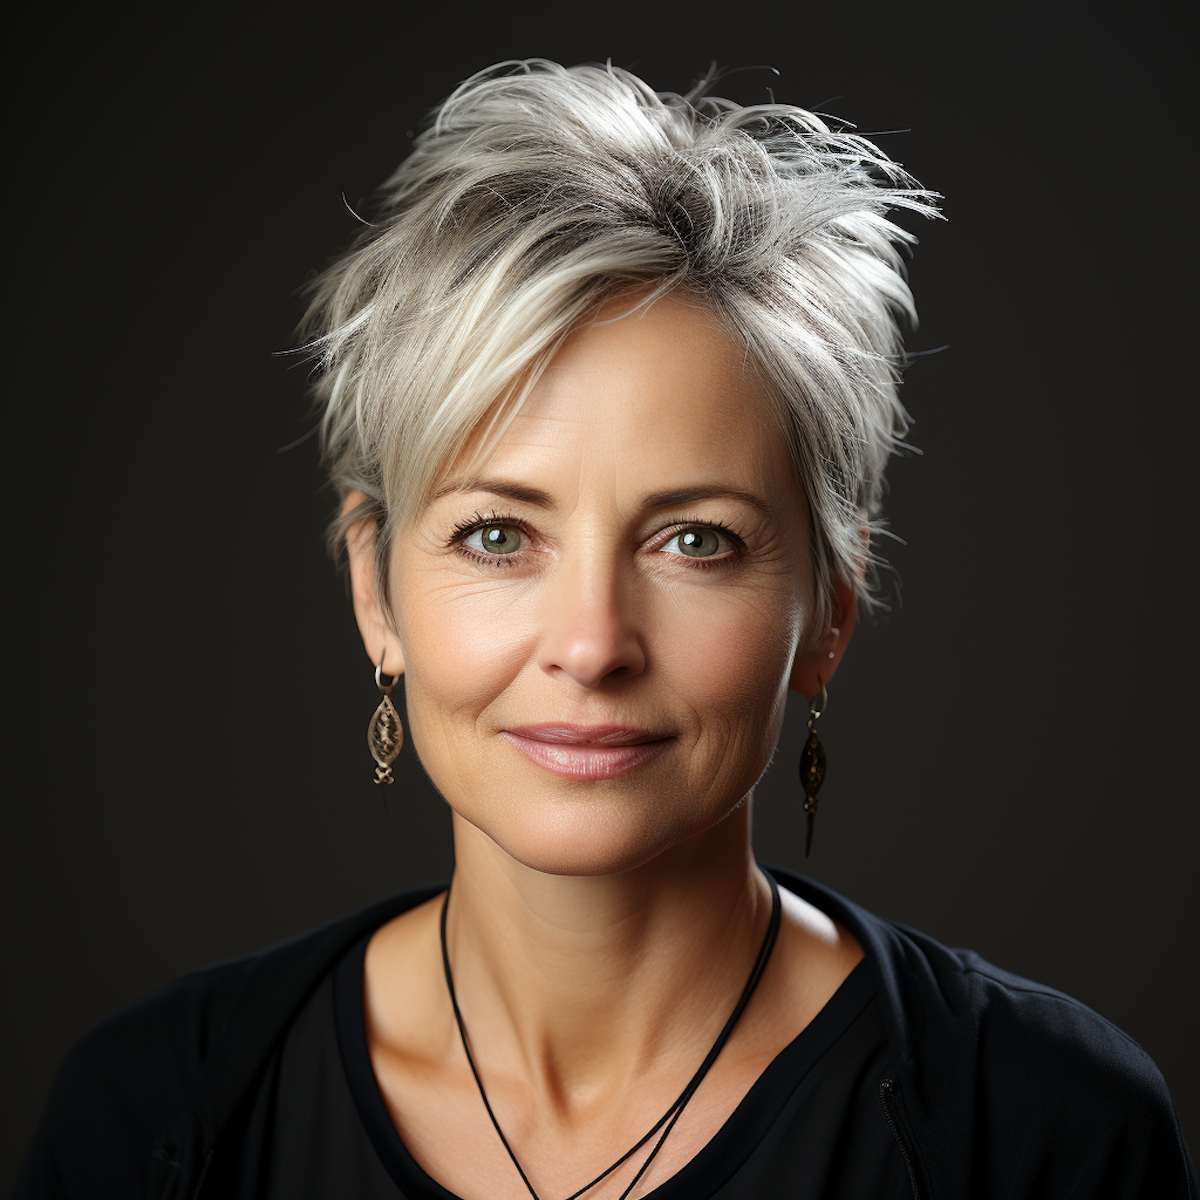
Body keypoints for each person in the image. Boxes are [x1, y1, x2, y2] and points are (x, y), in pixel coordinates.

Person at [15, 59, 1194, 1200]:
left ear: (831, 609)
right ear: (375, 589)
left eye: (694, 540)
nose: (591, 644)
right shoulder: (157, 1116)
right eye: (496, 536)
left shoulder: (1046, 1129)